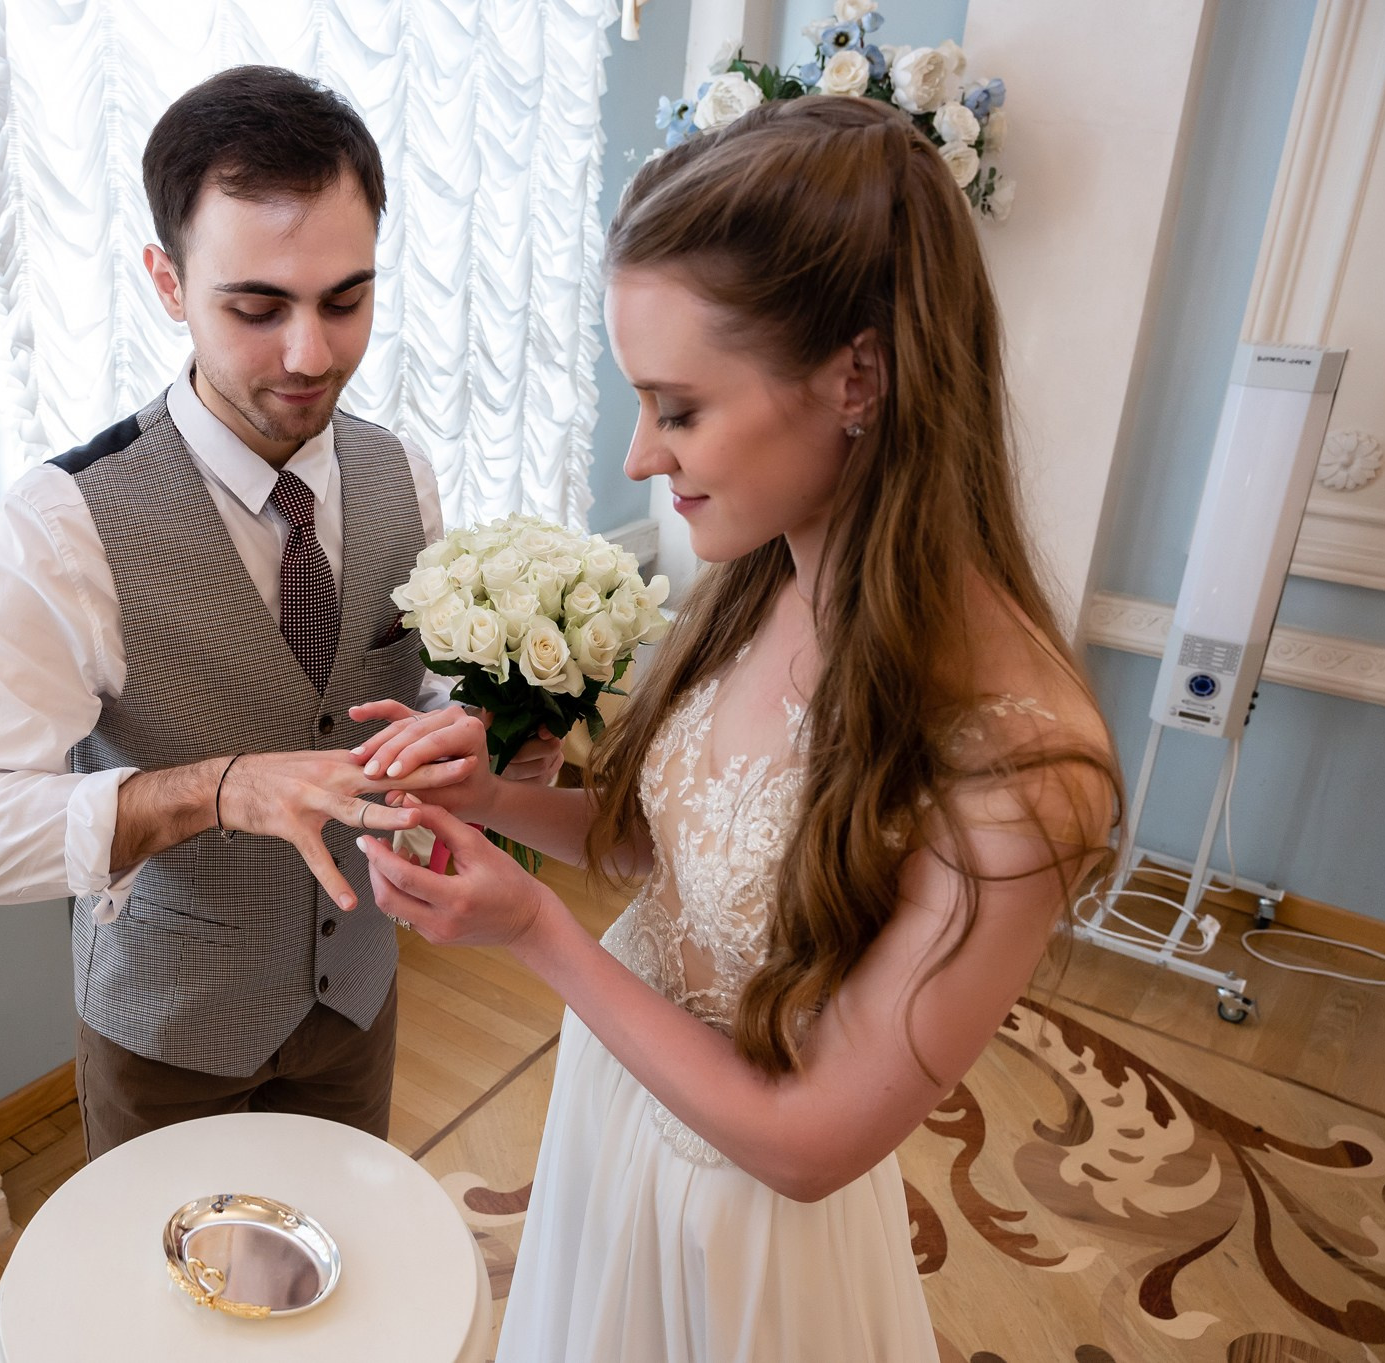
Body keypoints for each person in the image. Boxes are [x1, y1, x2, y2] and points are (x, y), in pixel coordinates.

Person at [352, 96, 1120, 1361]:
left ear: (855, 376)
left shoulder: (1023, 759)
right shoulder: (765, 569)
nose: (639, 456)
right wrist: (487, 802)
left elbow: (812, 1143)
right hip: (621, 1110)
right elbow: (670, 852)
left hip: (753, 1223)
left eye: (677, 406)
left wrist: (533, 928)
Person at [0, 66, 536, 1159]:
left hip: (358, 1005)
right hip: (168, 1036)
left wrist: (478, 727)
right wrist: (216, 789)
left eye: (346, 300)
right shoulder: (64, 523)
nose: (310, 355)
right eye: (256, 307)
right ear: (166, 281)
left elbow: (421, 689)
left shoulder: (406, 475)